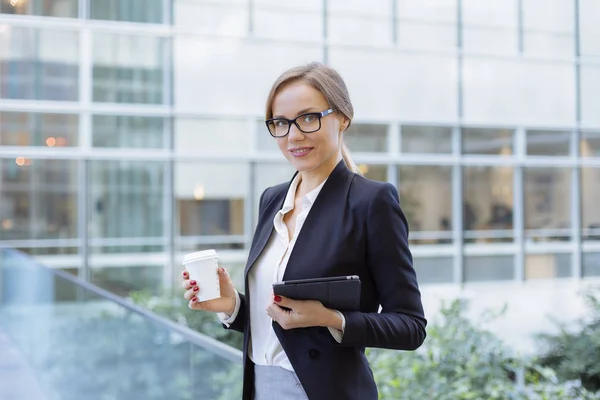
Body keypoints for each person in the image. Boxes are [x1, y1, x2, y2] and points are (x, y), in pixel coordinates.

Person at [181, 62, 426, 400]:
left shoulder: (371, 201)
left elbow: (411, 327)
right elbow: (279, 324)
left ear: (342, 118)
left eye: (309, 118)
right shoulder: (272, 199)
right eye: (280, 123)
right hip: (259, 387)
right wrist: (233, 306)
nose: (293, 135)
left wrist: (332, 318)